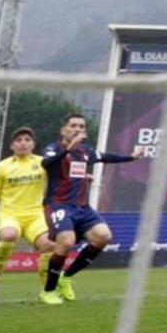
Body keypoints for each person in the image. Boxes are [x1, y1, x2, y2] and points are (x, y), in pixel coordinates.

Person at [41, 114, 142, 303]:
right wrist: (68, 149)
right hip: (58, 204)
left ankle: (67, 277)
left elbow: (105, 157)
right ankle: (48, 291)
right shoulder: (53, 149)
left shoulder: (85, 152)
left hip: (82, 207)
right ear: (63, 130)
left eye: (81, 126)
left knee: (103, 237)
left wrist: (132, 157)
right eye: (73, 125)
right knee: (67, 241)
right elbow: (46, 164)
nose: (77, 129)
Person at [0, 127, 58, 305]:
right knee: (9, 235)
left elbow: (61, 178)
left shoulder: (43, 163)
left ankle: (46, 291)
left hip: (35, 215)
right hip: (10, 214)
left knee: (49, 245)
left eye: (27, 139)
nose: (23, 143)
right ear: (12, 145)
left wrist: (84, 178)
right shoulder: (2, 167)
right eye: (19, 140)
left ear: (33, 144)